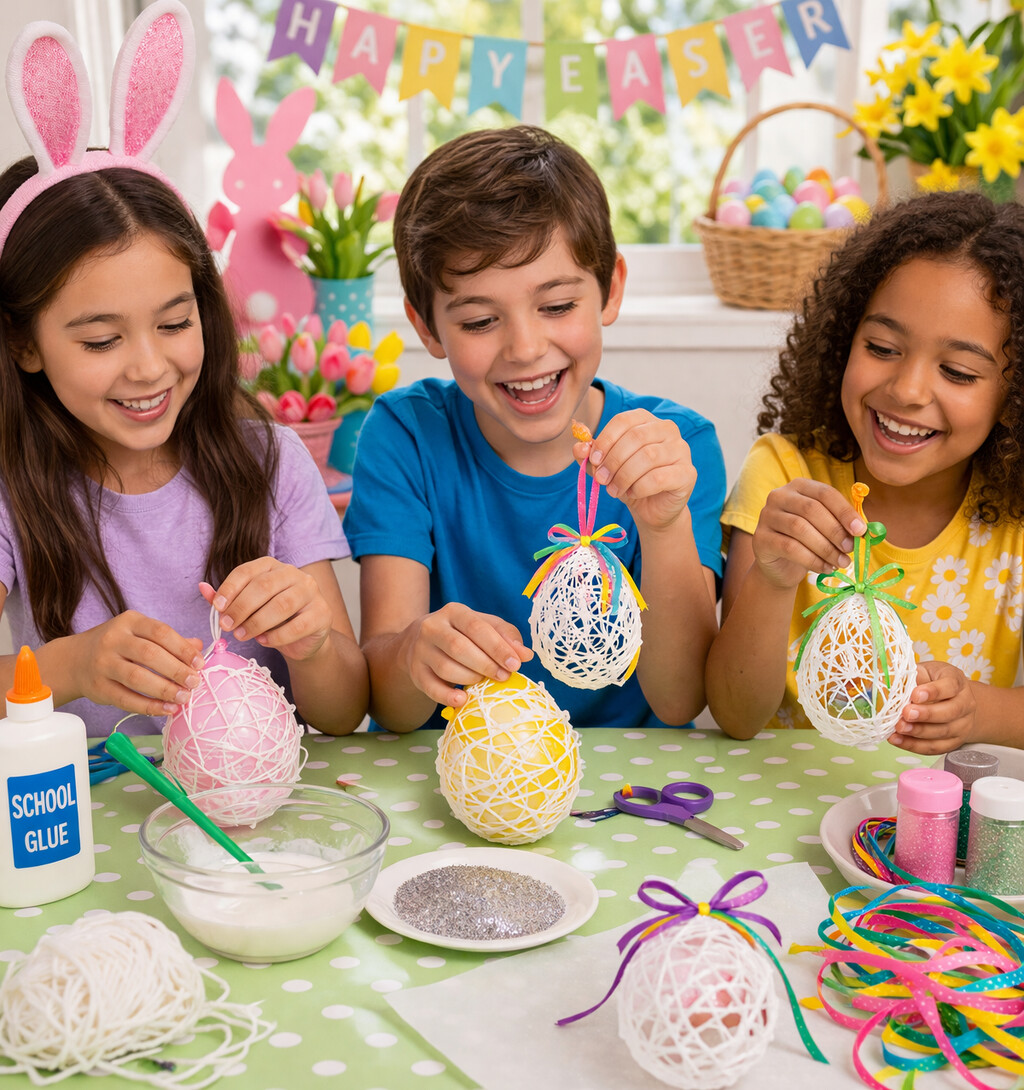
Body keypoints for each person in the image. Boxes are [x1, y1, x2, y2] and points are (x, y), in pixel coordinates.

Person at [344, 125, 725, 732]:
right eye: (479, 321)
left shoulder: (677, 450)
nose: (525, 348)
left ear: (610, 290)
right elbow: (389, 707)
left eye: (557, 307)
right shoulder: (405, 436)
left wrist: (664, 524)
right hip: (461, 768)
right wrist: (415, 652)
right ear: (427, 328)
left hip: (625, 774)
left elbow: (680, 701)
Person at [0, 158, 368, 737]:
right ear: (24, 344)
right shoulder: (10, 486)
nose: (149, 368)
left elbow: (344, 714)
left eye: (174, 324)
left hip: (260, 793)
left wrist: (314, 644)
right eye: (102, 340)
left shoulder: (272, 463)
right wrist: (70, 666)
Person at [706, 191, 1024, 755]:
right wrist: (773, 579)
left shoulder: (1015, 521)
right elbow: (735, 714)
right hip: (782, 798)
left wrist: (981, 712)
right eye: (881, 347)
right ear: (843, 341)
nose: (907, 390)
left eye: (957, 371)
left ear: (1013, 396)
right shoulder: (784, 475)